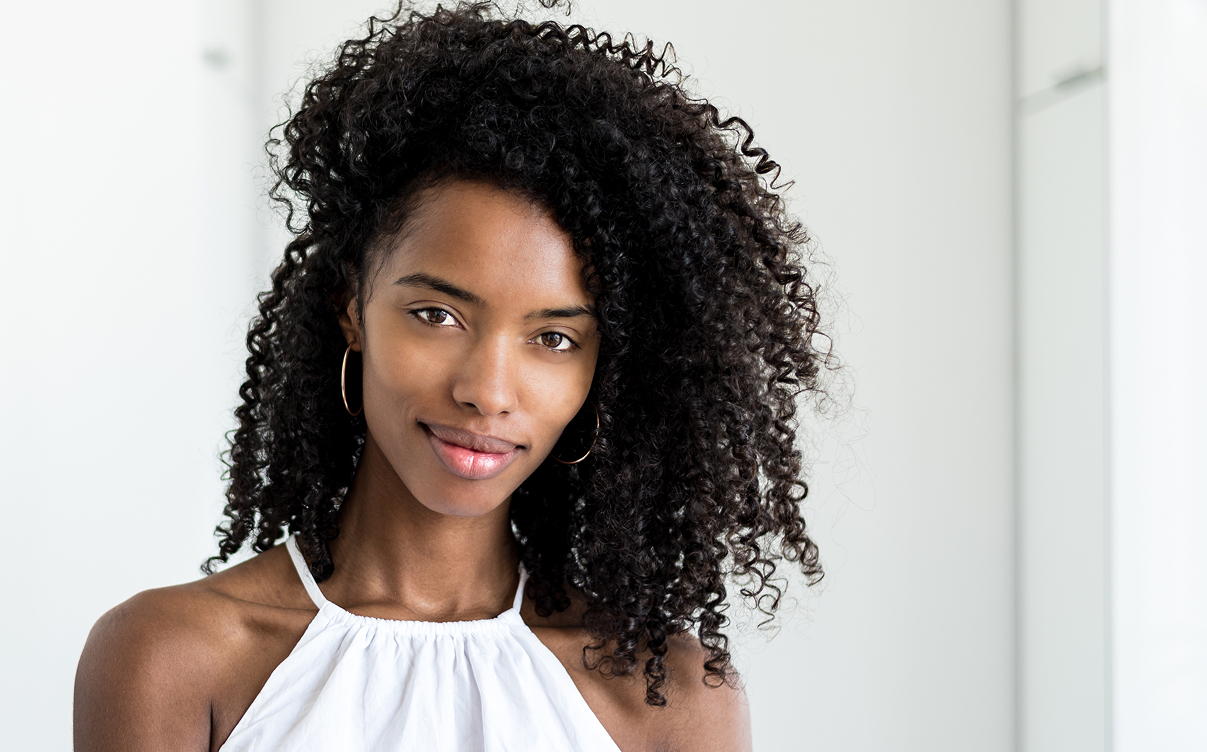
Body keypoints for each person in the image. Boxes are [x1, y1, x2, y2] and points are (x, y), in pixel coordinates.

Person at [74, 2, 829, 750]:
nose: (488, 391)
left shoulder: (670, 698)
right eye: (437, 315)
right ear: (351, 307)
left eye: (555, 337)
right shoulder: (174, 657)